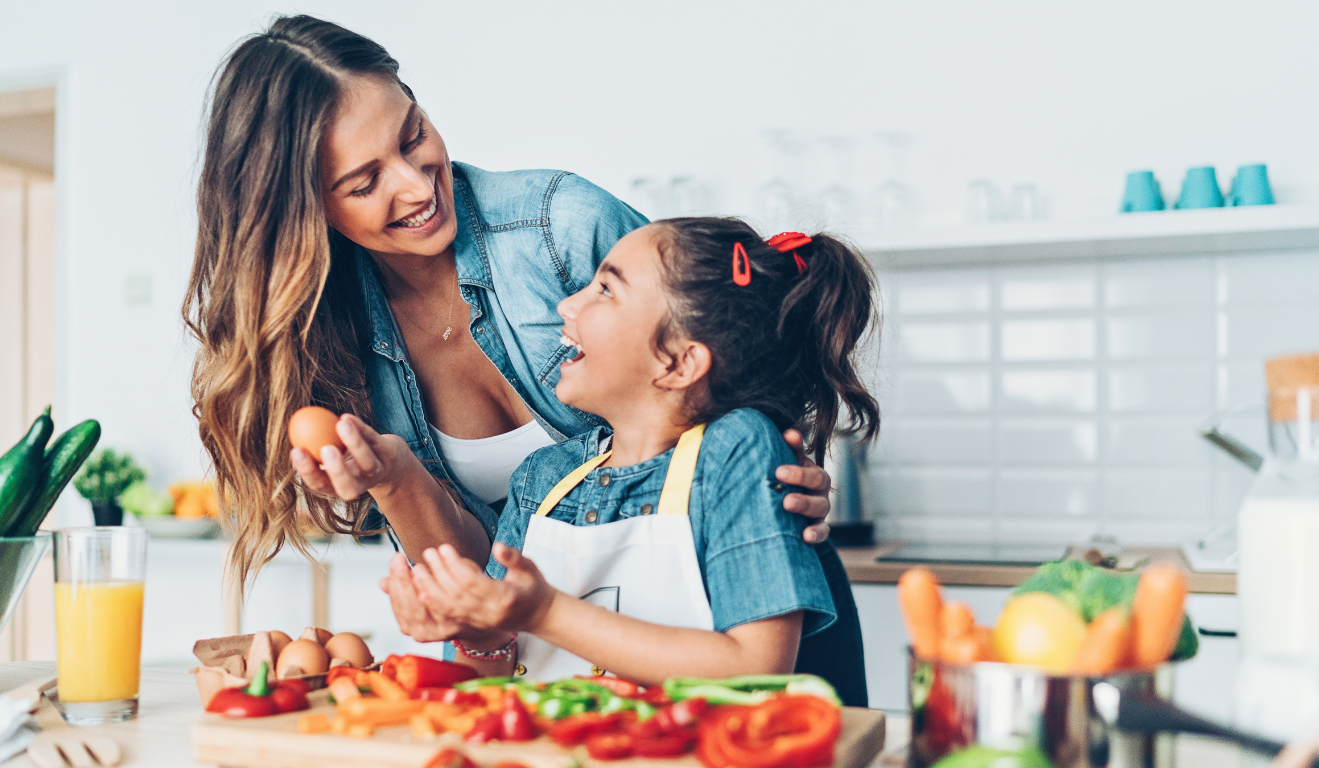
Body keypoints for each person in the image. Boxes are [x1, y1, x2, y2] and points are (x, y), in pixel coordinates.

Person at [183, 15, 854, 695]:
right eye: (364, 182)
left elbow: (721, 352)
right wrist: (398, 484)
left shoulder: (562, 226)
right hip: (588, 705)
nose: (417, 186)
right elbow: (497, 613)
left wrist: (777, 466)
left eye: (413, 136)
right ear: (305, 211)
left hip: (764, 643)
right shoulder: (331, 343)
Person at [382, 220, 877, 701]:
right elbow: (489, 679)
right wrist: (476, 631)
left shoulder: (735, 450)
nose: (567, 304)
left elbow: (756, 668)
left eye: (605, 290)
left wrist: (544, 612)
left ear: (678, 363)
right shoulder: (543, 478)